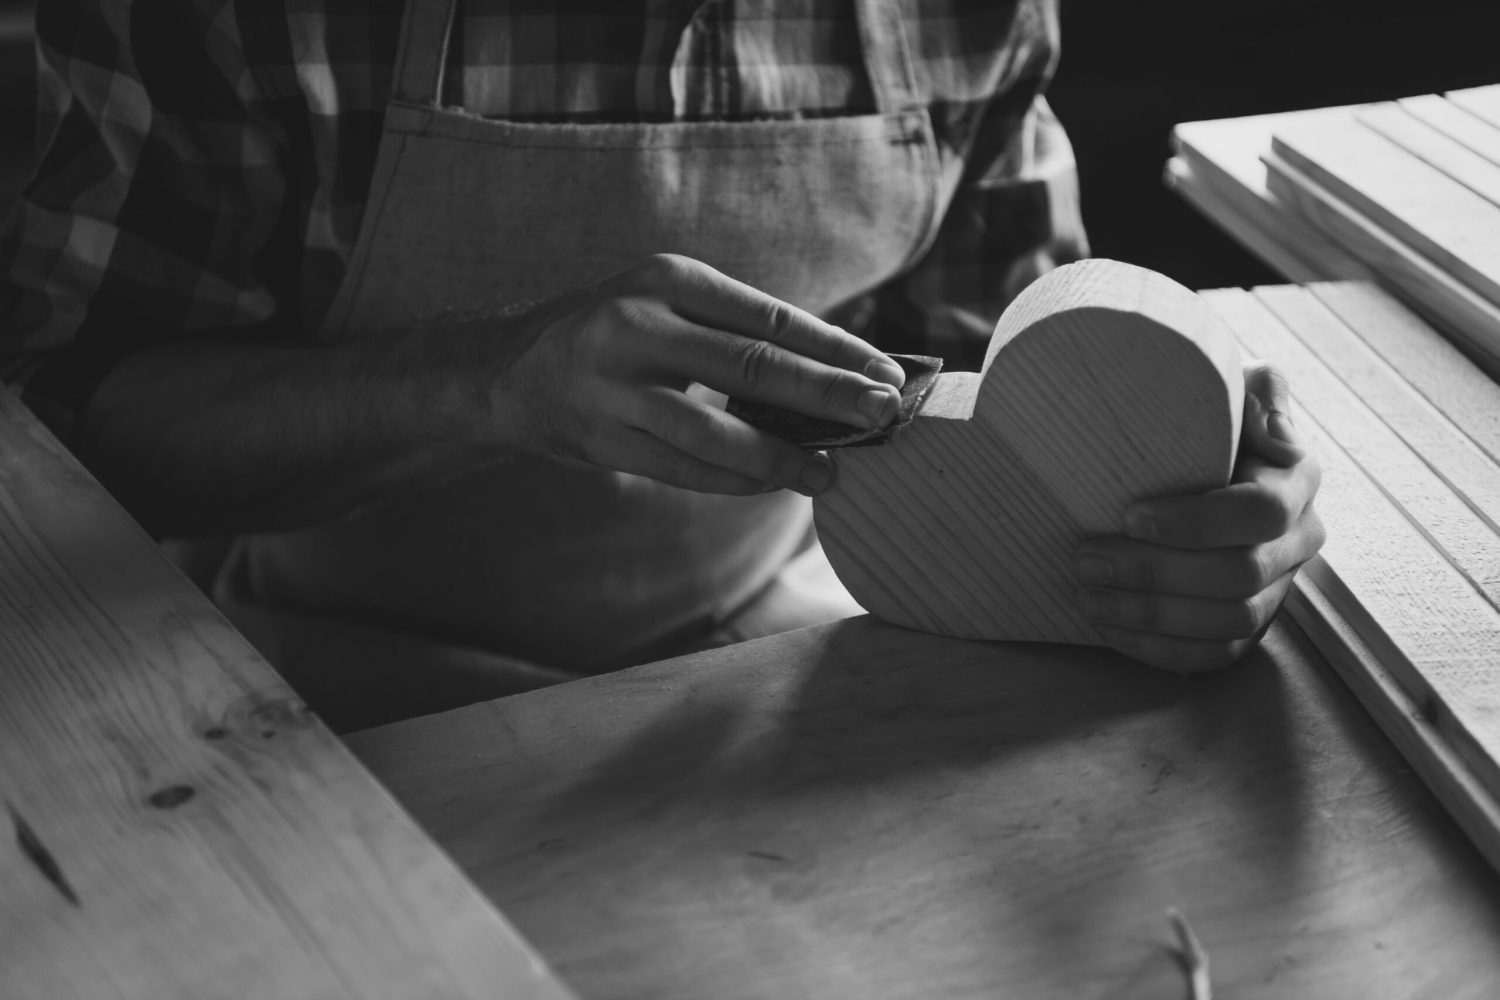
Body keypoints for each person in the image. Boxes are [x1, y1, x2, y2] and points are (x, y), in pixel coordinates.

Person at [0, 0, 1323, 730]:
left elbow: (1037, 395)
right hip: (308, 685)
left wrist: (1192, 524)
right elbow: (71, 430)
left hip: (771, 675)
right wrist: (481, 379)